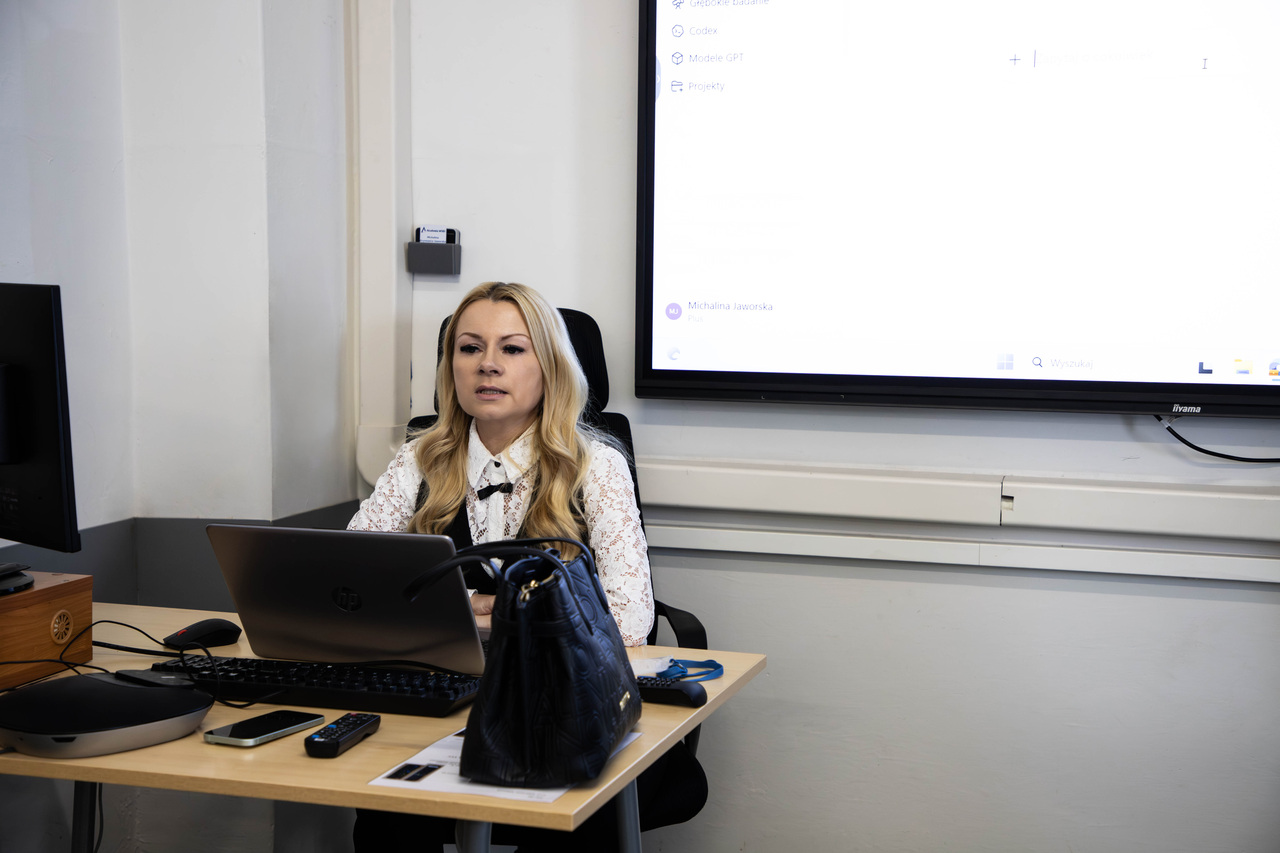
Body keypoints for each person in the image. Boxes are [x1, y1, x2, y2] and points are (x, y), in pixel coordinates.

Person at [349, 281, 658, 851]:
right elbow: (355, 579)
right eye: (470, 348)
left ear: (550, 367)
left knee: (566, 816)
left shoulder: (597, 465)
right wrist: (505, 609)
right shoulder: (419, 457)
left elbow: (629, 620)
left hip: (558, 700)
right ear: (451, 368)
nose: (487, 364)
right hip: (440, 691)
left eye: (512, 349)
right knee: (386, 809)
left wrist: (457, 610)